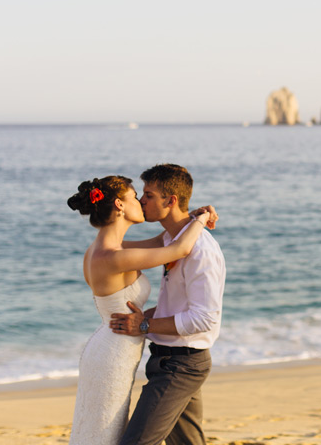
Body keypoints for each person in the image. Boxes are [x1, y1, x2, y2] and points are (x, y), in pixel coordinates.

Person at [66, 175, 217, 445]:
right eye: (136, 196)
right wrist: (202, 219)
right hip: (114, 352)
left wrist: (190, 217)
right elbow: (179, 248)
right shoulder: (115, 256)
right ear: (119, 206)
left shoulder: (102, 250)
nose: (141, 202)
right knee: (106, 433)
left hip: (110, 343)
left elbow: (163, 241)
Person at [109, 164, 227, 445]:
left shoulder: (201, 251)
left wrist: (145, 324)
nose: (141, 201)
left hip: (182, 364)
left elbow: (204, 320)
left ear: (171, 200)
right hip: (167, 358)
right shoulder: (172, 237)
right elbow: (123, 251)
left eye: (148, 195)